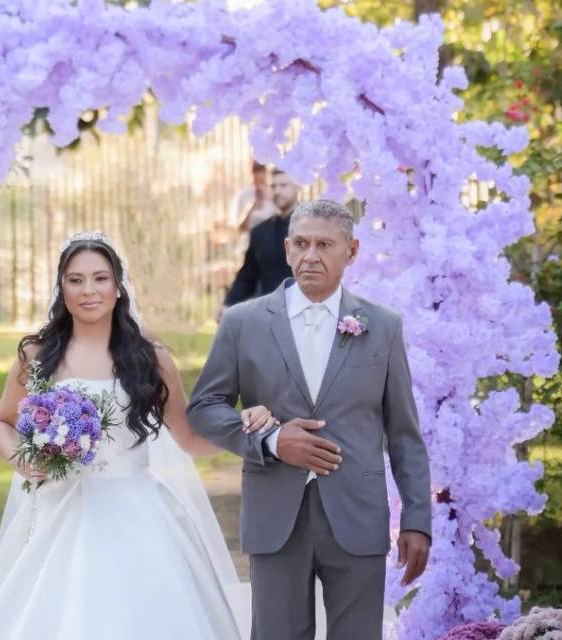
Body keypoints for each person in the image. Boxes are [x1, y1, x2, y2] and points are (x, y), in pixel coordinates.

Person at [0, 231, 281, 640]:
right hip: (61, 509)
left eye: (100, 278)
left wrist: (247, 428)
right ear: (61, 286)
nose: (88, 290)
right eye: (75, 280)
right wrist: (23, 460)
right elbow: (2, 422)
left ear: (118, 286)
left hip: (139, 513)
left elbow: (190, 438)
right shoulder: (38, 356)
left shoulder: (151, 358)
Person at [188, 200, 432, 640]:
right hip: (275, 517)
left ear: (351, 251)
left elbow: (404, 434)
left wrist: (416, 519)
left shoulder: (383, 326)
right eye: (301, 244)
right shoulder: (243, 323)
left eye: (324, 244)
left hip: (357, 518)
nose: (311, 256)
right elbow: (204, 407)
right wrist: (270, 441)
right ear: (285, 249)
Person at [217, 169, 300, 322]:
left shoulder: (313, 228)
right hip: (270, 315)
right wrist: (228, 304)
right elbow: (248, 274)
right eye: (273, 186)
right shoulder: (260, 232)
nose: (277, 191)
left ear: (297, 186)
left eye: (283, 185)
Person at [231, 161, 276, 234]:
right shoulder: (243, 195)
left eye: (262, 171)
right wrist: (250, 208)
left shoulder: (274, 193)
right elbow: (239, 228)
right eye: (255, 172)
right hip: (250, 242)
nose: (259, 175)